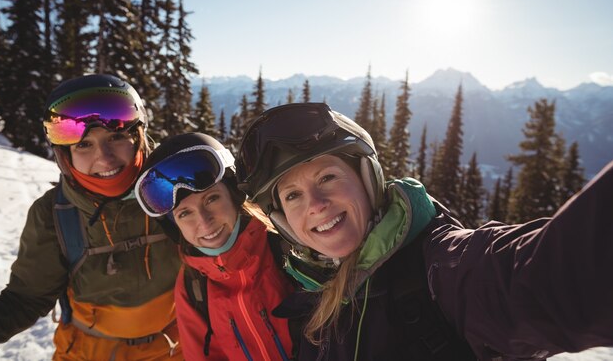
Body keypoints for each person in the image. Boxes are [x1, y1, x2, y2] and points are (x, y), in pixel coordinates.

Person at [235, 102, 613, 361]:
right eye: (293, 195)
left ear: (367, 179)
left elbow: (545, 274)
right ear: (283, 219)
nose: (315, 203)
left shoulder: (439, 269)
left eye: (328, 177)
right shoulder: (310, 293)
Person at [0, 74, 182, 360]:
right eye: (84, 145)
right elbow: (25, 298)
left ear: (138, 137)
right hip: (87, 353)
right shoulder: (54, 215)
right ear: (65, 155)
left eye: (116, 137)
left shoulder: (177, 190)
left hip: (175, 348)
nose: (104, 157)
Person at [134, 132, 295, 361]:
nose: (203, 221)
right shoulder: (193, 284)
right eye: (185, 213)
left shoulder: (284, 244)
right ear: (175, 226)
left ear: (234, 194)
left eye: (211, 199)